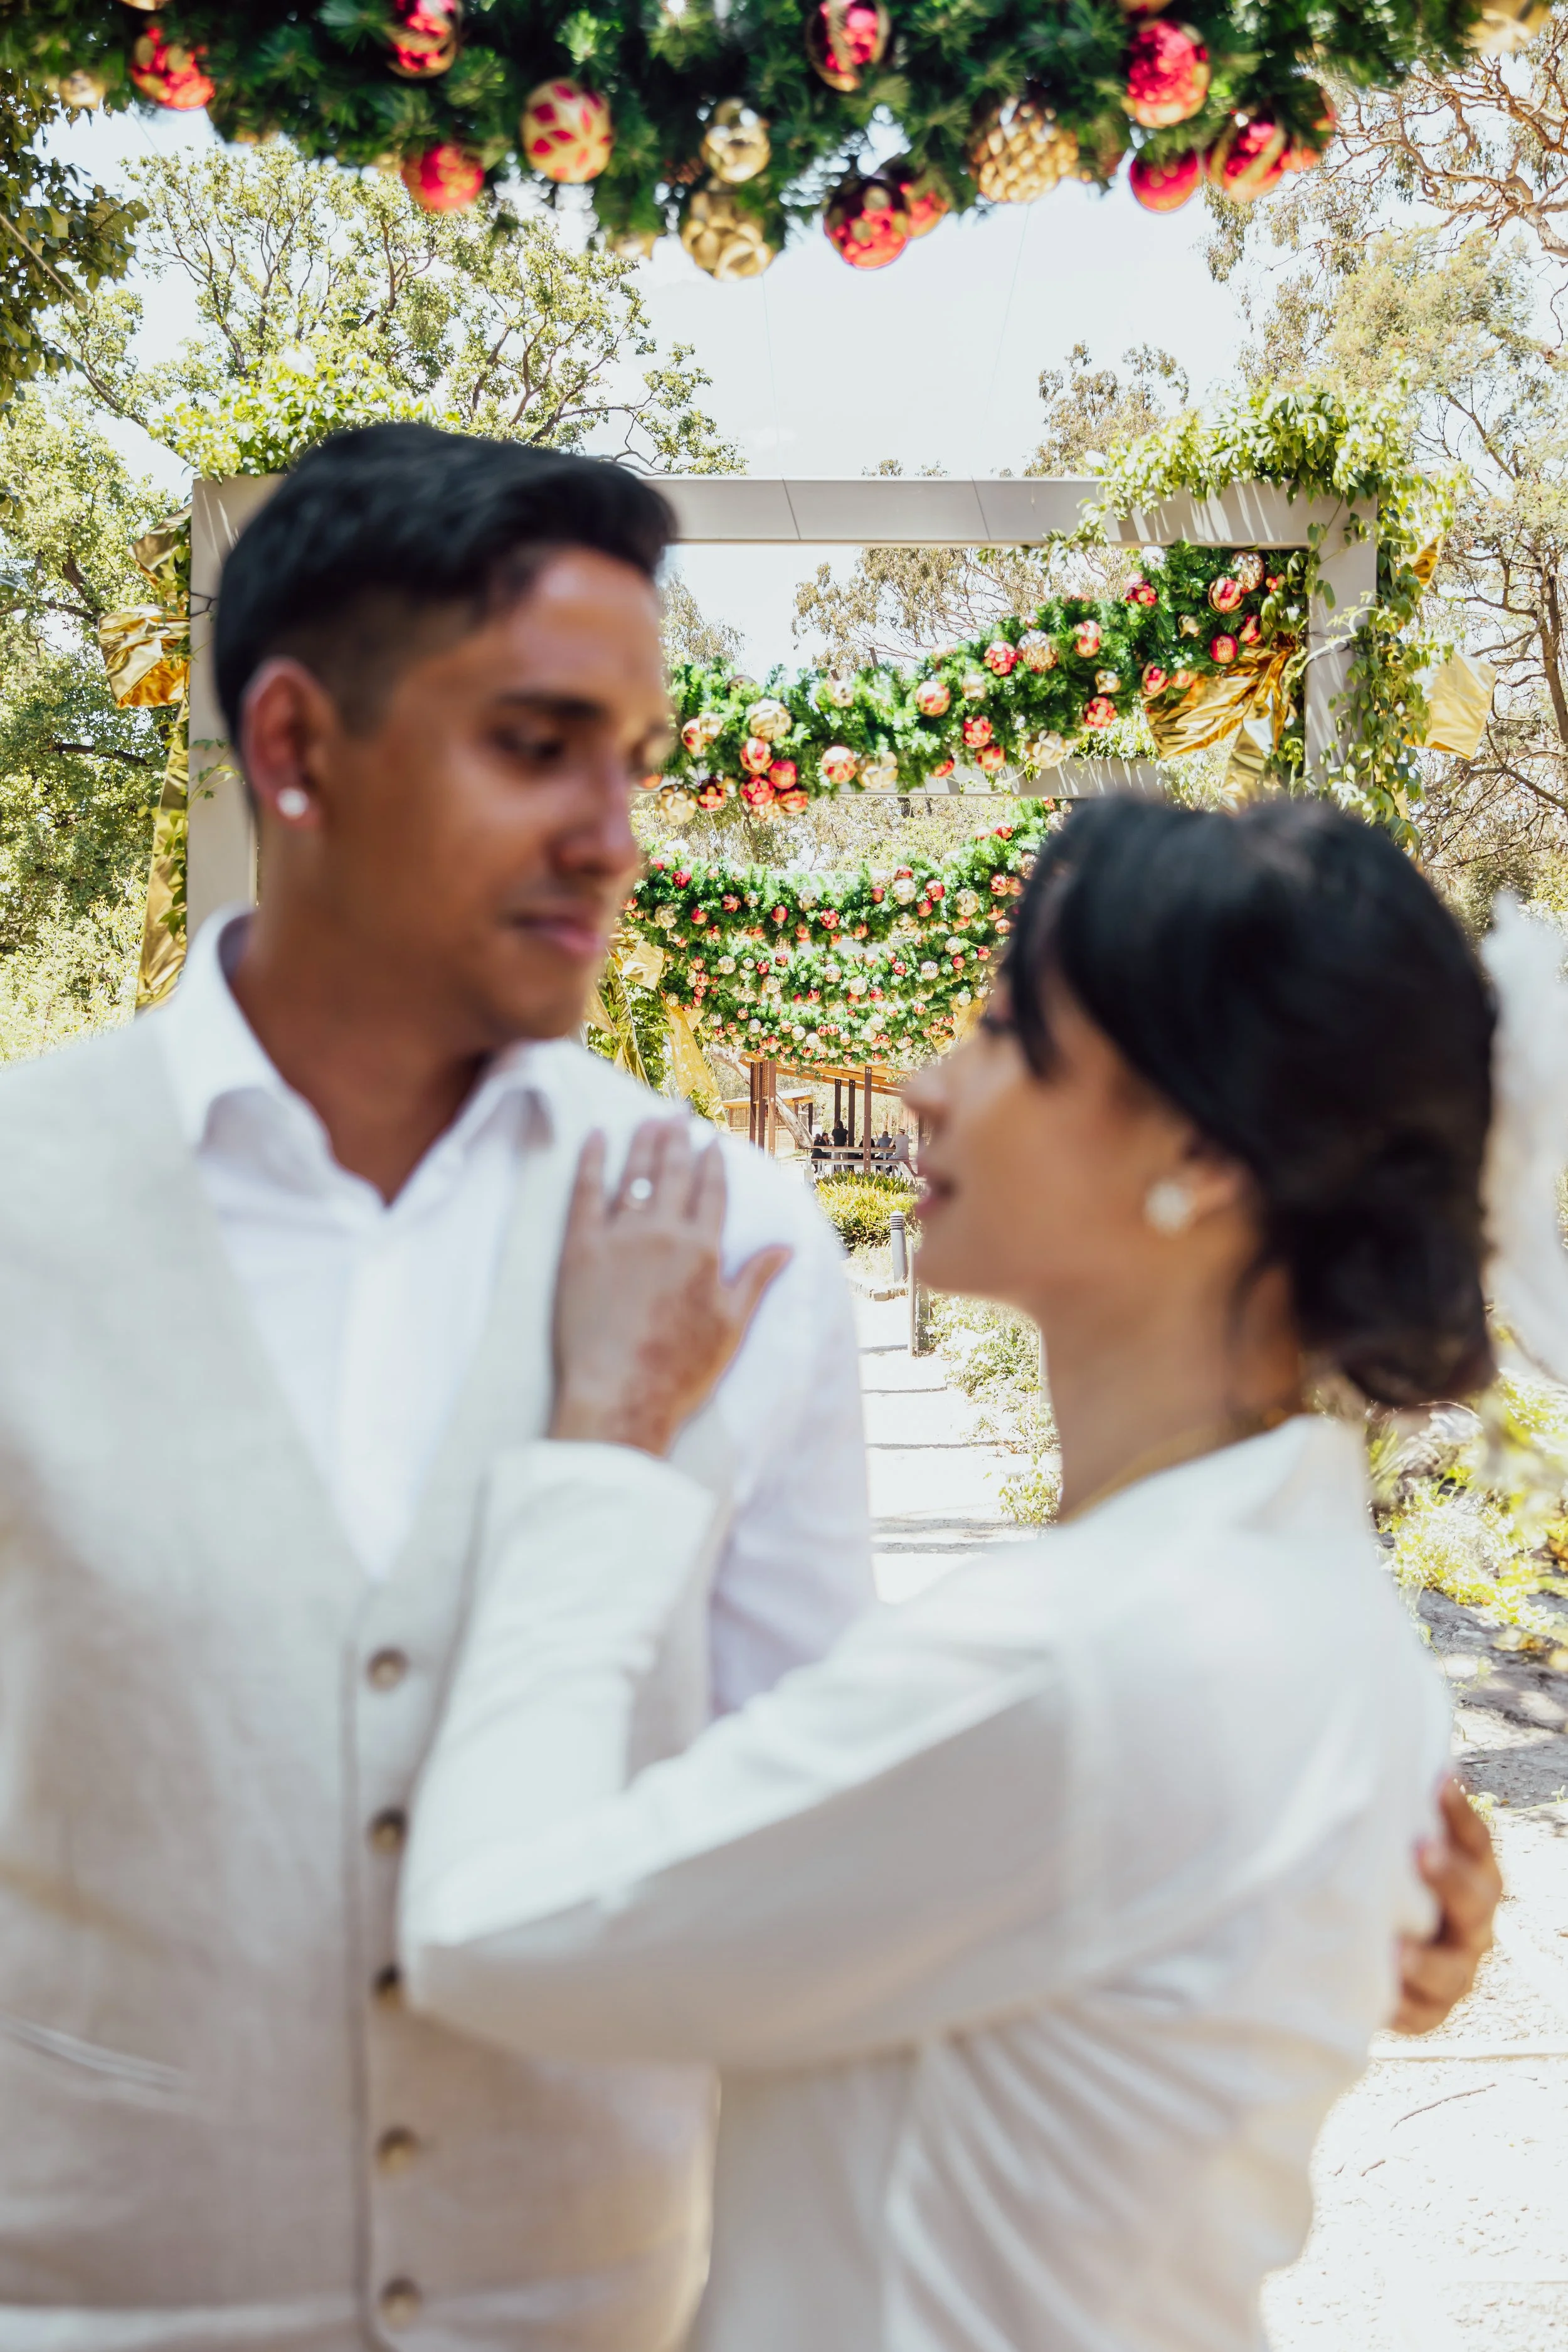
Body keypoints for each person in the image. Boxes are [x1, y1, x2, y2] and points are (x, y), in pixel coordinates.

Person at [403, 798, 1508, 2352]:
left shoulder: (1074, 1657)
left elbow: (483, 1930)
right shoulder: (1323, 1609)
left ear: (1193, 1148)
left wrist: (601, 1457)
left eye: (999, 1034)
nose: (922, 1089)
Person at [0, 423, 871, 2351]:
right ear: (296, 747)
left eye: (631, 763)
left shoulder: (745, 1244)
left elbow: (803, 1851)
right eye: (535, 743)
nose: (613, 834)